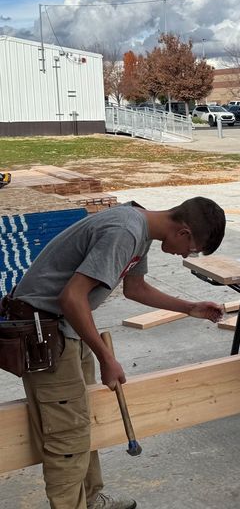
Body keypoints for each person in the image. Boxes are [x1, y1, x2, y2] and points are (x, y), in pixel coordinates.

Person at [0, 198, 227, 509]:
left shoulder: (142, 230)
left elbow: (135, 288)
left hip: (66, 327)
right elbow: (72, 297)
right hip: (44, 332)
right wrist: (106, 359)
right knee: (66, 436)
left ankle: (91, 499)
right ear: (183, 232)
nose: (187, 255)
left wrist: (189, 307)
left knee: (81, 422)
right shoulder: (125, 231)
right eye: (192, 249)